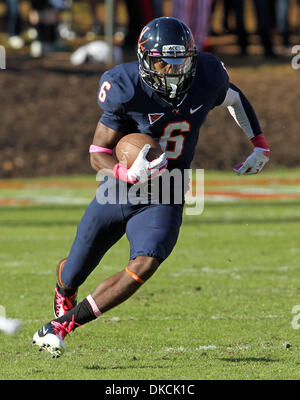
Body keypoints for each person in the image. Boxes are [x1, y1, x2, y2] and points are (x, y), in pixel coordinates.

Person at [32, 17, 270, 358]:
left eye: (180, 61)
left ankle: (61, 326)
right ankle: (64, 286)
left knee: (146, 262)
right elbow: (97, 152)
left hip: (169, 189)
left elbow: (233, 97)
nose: (172, 71)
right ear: (145, 57)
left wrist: (259, 143)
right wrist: (125, 173)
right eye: (163, 61)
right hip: (119, 188)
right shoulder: (124, 84)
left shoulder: (207, 74)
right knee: (74, 270)